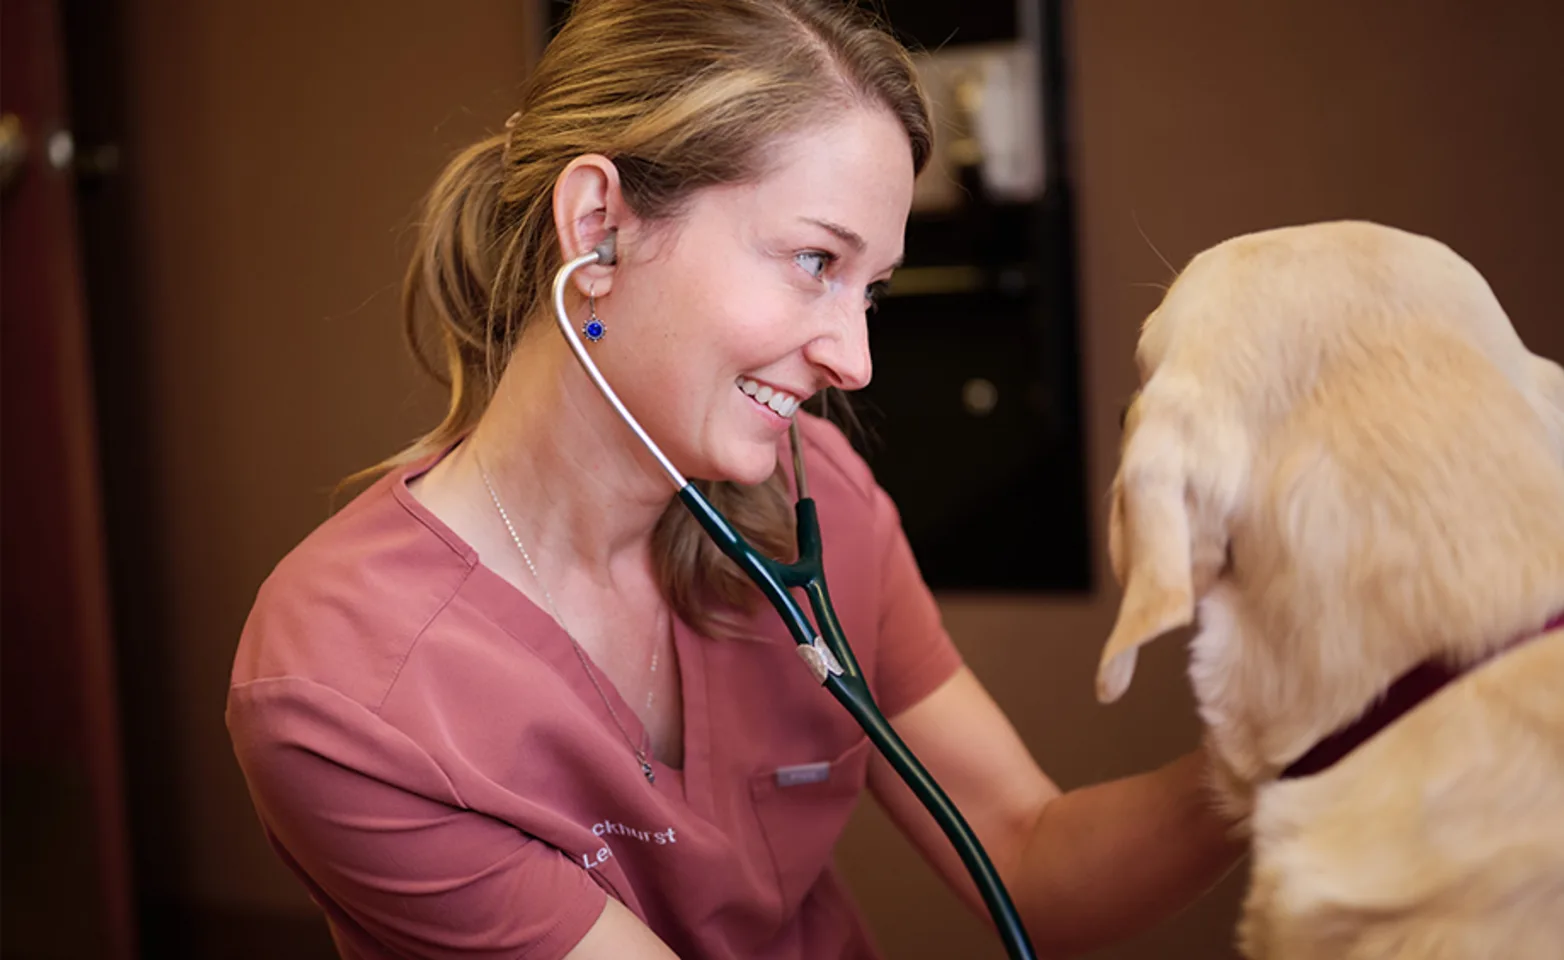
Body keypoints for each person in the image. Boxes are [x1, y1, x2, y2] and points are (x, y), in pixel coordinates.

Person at [226, 1, 1243, 957]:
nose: (856, 359)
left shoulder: (820, 501)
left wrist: (1273, 756)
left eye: (871, 290)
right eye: (813, 260)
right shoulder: (341, 685)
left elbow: (1023, 856)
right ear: (598, 226)